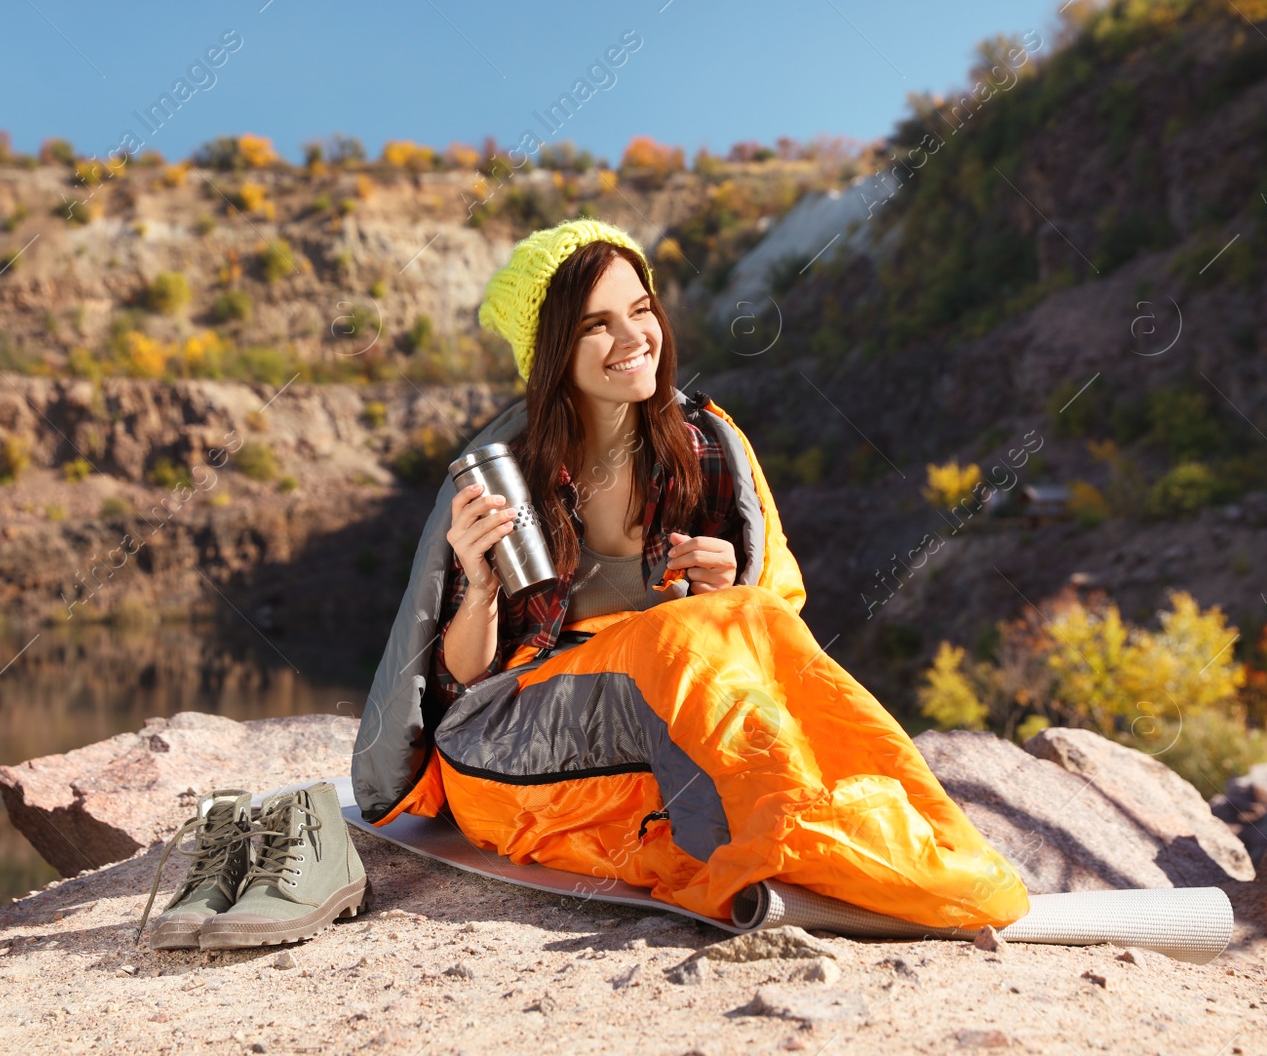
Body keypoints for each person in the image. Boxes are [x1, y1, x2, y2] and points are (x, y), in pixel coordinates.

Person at [350, 219, 1029, 931]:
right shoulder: (506, 477)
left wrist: (731, 589)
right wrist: (481, 585)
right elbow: (462, 684)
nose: (634, 337)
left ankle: (933, 838)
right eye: (597, 325)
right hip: (515, 748)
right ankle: (781, 845)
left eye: (641, 310)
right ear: (551, 351)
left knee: (751, 618)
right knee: (672, 639)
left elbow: (771, 637)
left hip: (667, 732)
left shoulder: (703, 447)